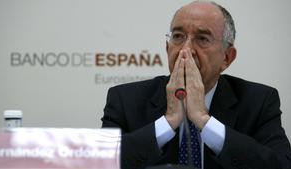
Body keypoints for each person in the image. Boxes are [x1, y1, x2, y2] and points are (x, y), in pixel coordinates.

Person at [101, 1, 291, 169]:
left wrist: (204, 121)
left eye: (202, 39)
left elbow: (281, 165)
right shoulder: (125, 99)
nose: (186, 49)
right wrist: (168, 122)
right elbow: (100, 163)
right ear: (167, 49)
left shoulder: (258, 101)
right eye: (178, 36)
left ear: (227, 57)